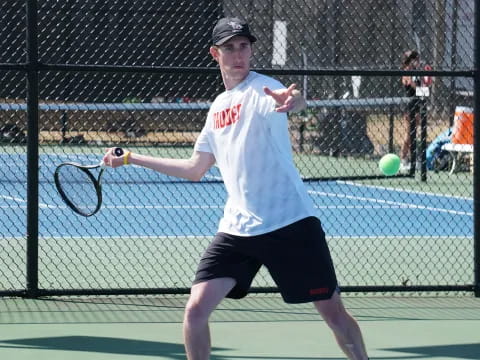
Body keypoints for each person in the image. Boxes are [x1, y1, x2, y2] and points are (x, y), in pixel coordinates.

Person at [103, 17, 369, 360]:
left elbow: (292, 99)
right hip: (238, 229)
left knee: (332, 312)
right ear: (216, 54)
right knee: (195, 310)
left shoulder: (262, 89)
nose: (239, 54)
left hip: (291, 223)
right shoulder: (216, 109)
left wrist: (294, 102)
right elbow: (195, 169)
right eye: (230, 47)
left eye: (244, 46)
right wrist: (133, 158)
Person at [399, 50, 431, 172]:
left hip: (418, 106)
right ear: (410, 60)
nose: (418, 61)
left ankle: (413, 160)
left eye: (418, 59)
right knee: (409, 135)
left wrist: (426, 84)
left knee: (415, 134)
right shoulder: (407, 72)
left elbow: (422, 87)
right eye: (416, 59)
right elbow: (414, 88)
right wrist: (424, 91)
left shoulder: (418, 72)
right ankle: (403, 159)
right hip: (409, 106)